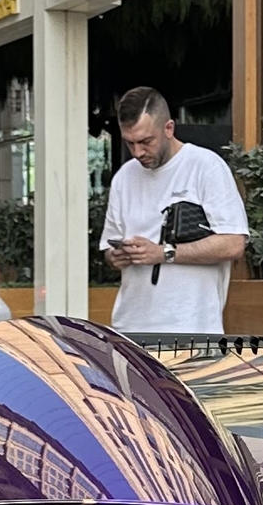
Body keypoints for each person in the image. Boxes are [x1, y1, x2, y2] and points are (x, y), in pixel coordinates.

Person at [97, 85, 248, 342]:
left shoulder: (206, 167)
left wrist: (164, 253)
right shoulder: (124, 176)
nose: (137, 152)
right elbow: (109, 250)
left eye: (146, 141)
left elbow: (234, 243)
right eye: (129, 143)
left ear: (169, 128)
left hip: (191, 330)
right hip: (129, 329)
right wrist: (117, 255)